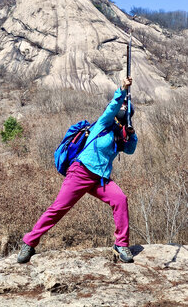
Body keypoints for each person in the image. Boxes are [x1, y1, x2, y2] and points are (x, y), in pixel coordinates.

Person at [17, 77, 138, 264]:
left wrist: (131, 134)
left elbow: (130, 150)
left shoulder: (118, 134)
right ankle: (29, 242)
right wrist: (122, 90)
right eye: (122, 107)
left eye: (126, 108)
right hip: (80, 171)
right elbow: (112, 107)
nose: (124, 109)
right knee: (58, 208)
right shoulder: (103, 124)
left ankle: (121, 244)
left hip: (101, 179)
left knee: (120, 199)